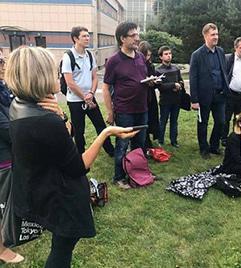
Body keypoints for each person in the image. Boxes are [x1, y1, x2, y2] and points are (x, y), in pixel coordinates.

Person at [5, 46, 138, 268]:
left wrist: (60, 114)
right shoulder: (44, 121)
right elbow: (78, 166)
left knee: (61, 246)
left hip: (38, 189)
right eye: (54, 71)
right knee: (62, 249)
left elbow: (60, 139)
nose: (59, 75)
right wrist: (105, 133)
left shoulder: (21, 106)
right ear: (40, 76)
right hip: (58, 197)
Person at [102, 22, 150, 189]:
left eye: (138, 34)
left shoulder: (140, 57)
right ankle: (118, 177)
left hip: (142, 109)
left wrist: (150, 83)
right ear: (122, 39)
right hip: (124, 111)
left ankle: (138, 173)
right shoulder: (114, 61)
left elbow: (141, 80)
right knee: (122, 145)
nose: (137, 38)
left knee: (140, 144)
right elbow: (106, 88)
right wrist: (110, 112)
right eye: (133, 35)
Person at [61, 26, 114, 157]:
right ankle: (80, 156)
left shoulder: (89, 55)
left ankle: (111, 150)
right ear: (75, 39)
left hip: (90, 97)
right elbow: (70, 83)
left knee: (100, 126)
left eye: (88, 35)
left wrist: (91, 93)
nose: (87, 38)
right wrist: (85, 98)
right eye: (84, 36)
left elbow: (95, 77)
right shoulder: (68, 57)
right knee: (79, 131)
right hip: (75, 101)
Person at [189, 23, 229, 159]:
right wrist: (194, 100)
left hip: (220, 95)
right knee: (203, 123)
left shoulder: (221, 52)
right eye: (213, 34)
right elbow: (193, 78)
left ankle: (214, 145)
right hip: (204, 96)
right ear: (205, 36)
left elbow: (223, 71)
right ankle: (204, 149)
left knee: (221, 122)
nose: (216, 37)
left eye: (217, 34)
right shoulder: (197, 55)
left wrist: (225, 88)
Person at [0, 48, 24, 264]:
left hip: (9, 154)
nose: (3, 65)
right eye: (0, 61)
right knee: (3, 204)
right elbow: (7, 129)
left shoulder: (3, 88)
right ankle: (2, 248)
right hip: (2, 157)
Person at [222, 37, 241, 147]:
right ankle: (224, 138)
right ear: (235, 48)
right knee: (226, 118)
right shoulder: (228, 59)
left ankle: (235, 137)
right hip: (230, 94)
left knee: (238, 118)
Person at [156, 46, 183, 147]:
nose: (168, 56)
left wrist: (179, 86)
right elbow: (159, 86)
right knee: (163, 120)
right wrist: (173, 85)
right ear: (161, 57)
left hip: (176, 100)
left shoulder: (176, 68)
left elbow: (180, 80)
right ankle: (160, 140)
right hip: (165, 101)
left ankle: (174, 140)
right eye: (166, 54)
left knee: (174, 121)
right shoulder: (158, 71)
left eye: (170, 54)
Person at [138, 41, 160, 149]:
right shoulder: (137, 64)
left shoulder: (150, 65)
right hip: (141, 96)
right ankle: (144, 141)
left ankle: (148, 140)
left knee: (151, 118)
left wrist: (155, 81)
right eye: (146, 55)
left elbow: (154, 77)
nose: (147, 57)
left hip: (150, 96)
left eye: (149, 55)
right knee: (143, 119)